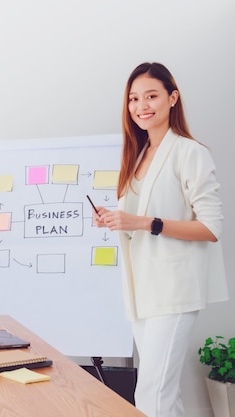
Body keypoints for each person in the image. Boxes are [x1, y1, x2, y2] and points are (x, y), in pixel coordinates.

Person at [92, 62, 228, 417]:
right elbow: (139, 221)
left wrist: (143, 222)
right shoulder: (137, 156)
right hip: (142, 290)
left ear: (172, 98)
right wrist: (116, 220)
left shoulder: (190, 152)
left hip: (174, 290)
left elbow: (211, 228)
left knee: (153, 392)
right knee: (161, 393)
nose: (142, 105)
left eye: (151, 95)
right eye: (134, 99)